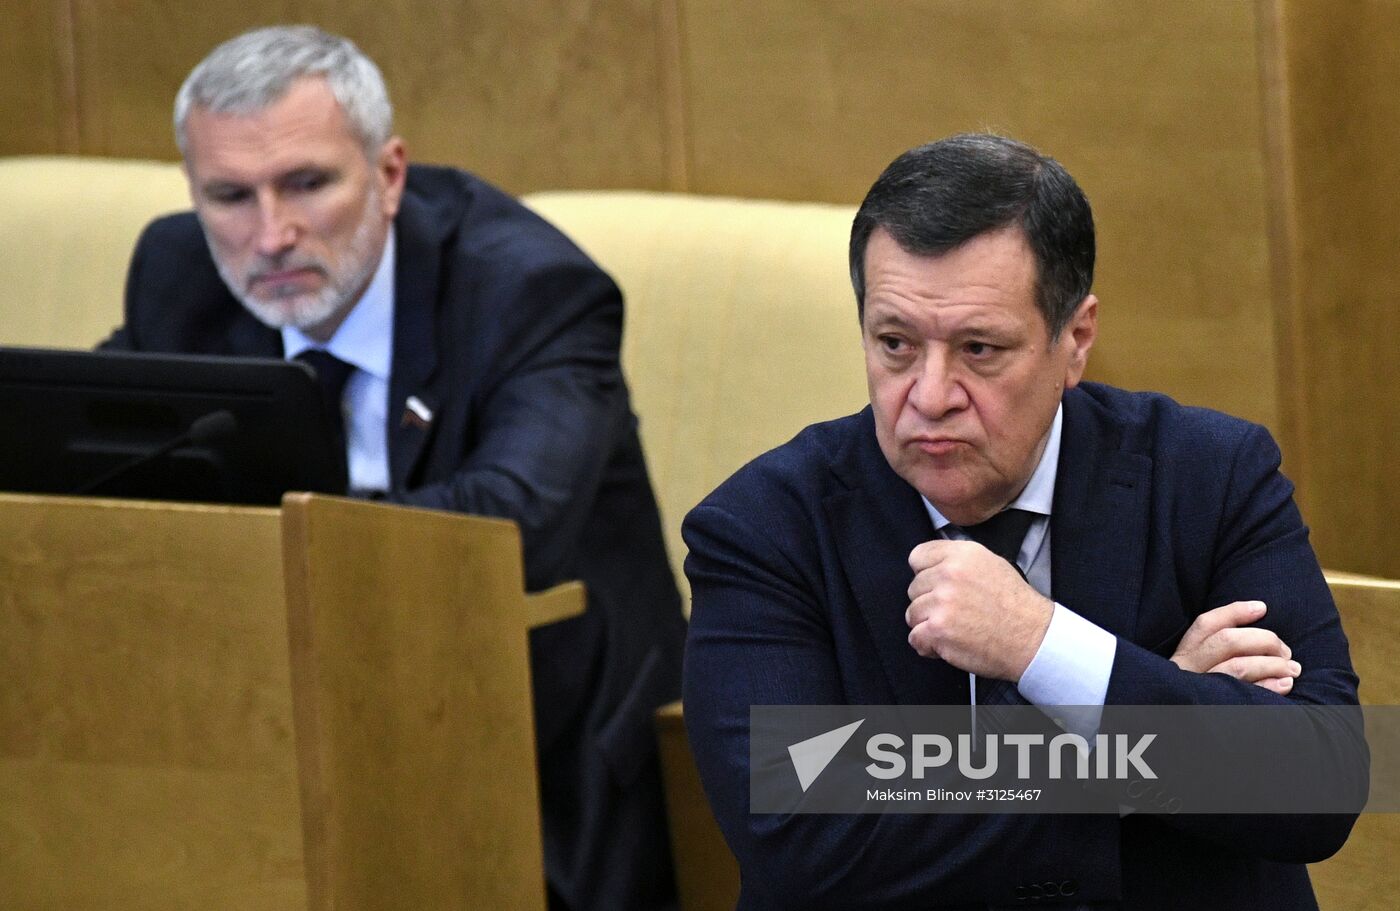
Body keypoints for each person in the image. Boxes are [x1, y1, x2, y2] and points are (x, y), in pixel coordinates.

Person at [681, 134, 1360, 909]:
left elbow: (1322, 781)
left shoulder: (1209, 475)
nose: (930, 395)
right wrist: (1147, 724)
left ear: (1076, 340)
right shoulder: (763, 529)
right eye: (895, 343)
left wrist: (1040, 642)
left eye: (979, 348)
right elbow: (799, 841)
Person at [103, 25, 684, 911]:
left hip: (539, 750)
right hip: (278, 734)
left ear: (388, 174)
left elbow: (509, 526)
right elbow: (81, 454)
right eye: (230, 196)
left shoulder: (530, 290)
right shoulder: (179, 272)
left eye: (307, 183)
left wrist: (256, 548)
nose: (271, 234)